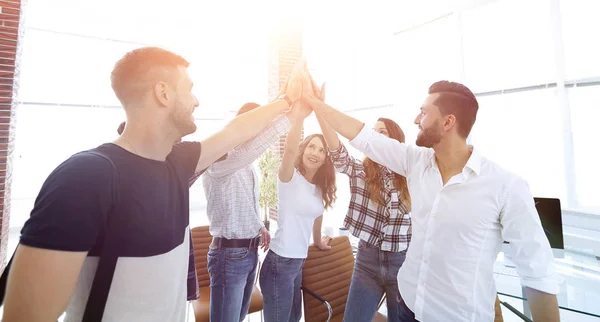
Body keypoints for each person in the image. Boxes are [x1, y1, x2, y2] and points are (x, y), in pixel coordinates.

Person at [2, 46, 305, 322]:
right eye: (189, 89)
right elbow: (25, 316)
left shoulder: (180, 163)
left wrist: (290, 103)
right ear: (163, 93)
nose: (197, 101)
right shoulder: (84, 178)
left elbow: (236, 133)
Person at [304, 79, 560, 322]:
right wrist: (317, 104)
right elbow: (364, 137)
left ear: (448, 122)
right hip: (408, 303)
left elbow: (538, 273)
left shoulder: (506, 186)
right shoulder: (416, 162)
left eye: (424, 113)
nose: (416, 119)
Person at [202, 94, 308, 321]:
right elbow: (256, 146)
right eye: (259, 126)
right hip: (228, 256)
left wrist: (260, 227)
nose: (259, 134)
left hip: (249, 253)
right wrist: (290, 115)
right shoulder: (219, 159)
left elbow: (243, 205)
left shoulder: (246, 166)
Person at [319, 111, 411, 321]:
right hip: (367, 261)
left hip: (403, 263)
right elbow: (338, 152)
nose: (375, 137)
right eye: (373, 132)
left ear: (395, 141)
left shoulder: (412, 175)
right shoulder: (361, 170)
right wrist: (320, 111)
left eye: (382, 132)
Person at [259, 85, 337, 322]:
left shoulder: (318, 188)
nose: (315, 152)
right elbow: (290, 147)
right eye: (311, 146)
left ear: (325, 158)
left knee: (294, 319)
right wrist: (300, 116)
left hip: (297, 262)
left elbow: (317, 214)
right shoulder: (289, 177)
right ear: (303, 150)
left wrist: (318, 242)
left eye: (321, 150)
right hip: (279, 262)